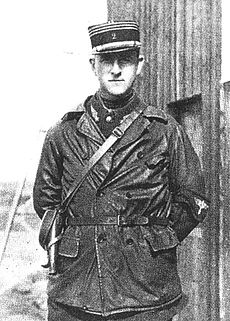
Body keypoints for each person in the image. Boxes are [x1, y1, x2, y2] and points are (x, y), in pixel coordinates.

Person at [33, 21, 209, 321]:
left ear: (139, 65)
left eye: (125, 60)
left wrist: (153, 240)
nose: (116, 70)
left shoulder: (164, 130)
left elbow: (193, 199)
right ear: (93, 65)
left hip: (146, 290)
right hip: (77, 289)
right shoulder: (63, 133)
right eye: (106, 61)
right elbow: (46, 202)